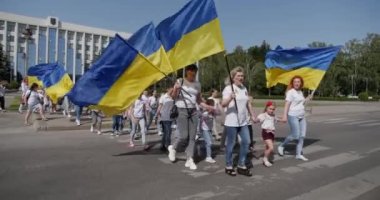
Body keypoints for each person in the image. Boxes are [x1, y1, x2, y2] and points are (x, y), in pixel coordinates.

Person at [167, 64, 214, 170]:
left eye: (194, 72)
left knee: (192, 137)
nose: (193, 74)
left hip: (193, 111)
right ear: (186, 72)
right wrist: (176, 89)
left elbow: (198, 100)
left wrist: (208, 107)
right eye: (191, 71)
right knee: (184, 136)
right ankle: (173, 148)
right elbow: (173, 97)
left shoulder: (198, 84)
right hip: (181, 110)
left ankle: (189, 159)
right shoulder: (180, 81)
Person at [221, 66, 256, 177]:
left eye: (242, 76)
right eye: (238, 76)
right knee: (231, 144)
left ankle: (241, 165)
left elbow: (247, 103)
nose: (241, 78)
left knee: (247, 141)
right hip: (231, 121)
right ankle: (229, 165)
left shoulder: (244, 88)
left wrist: (252, 115)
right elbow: (223, 104)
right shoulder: (228, 89)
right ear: (233, 77)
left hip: (243, 121)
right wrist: (231, 97)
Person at [278, 76, 312, 161]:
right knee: (295, 135)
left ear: (301, 83)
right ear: (293, 83)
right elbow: (287, 104)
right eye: (295, 82)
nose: (297, 83)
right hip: (293, 115)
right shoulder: (290, 92)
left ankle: (298, 154)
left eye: (298, 82)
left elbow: (302, 103)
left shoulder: (300, 92)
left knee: (302, 136)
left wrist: (307, 99)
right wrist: (285, 115)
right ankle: (282, 146)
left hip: (302, 116)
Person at [256, 101, 283, 167]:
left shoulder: (273, 115)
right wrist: (254, 119)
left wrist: (283, 119)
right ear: (266, 108)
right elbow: (257, 120)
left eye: (273, 109)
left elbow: (278, 119)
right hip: (265, 132)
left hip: (272, 133)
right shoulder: (263, 115)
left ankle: (266, 158)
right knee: (271, 148)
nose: (271, 110)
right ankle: (265, 159)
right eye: (270, 109)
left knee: (267, 147)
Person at [200, 99, 221, 163]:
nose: (213, 106)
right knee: (209, 143)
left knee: (208, 142)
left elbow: (219, 113)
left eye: (213, 105)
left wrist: (217, 106)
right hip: (204, 129)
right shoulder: (205, 112)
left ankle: (201, 151)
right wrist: (209, 111)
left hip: (209, 129)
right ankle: (208, 157)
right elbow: (204, 116)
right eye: (212, 105)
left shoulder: (213, 112)